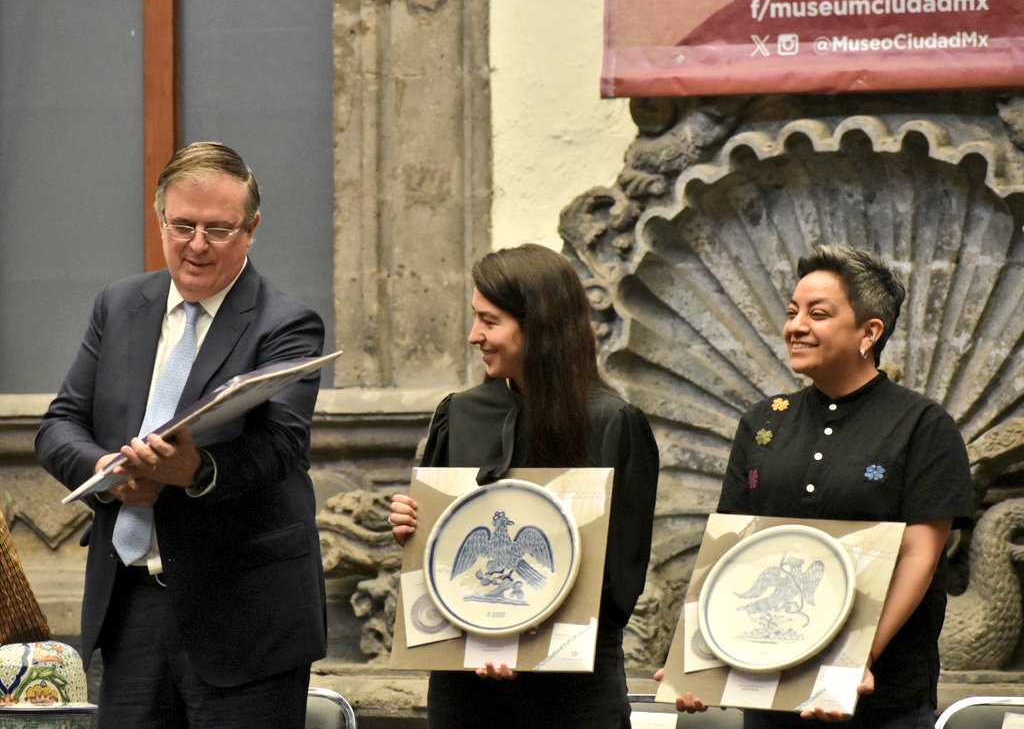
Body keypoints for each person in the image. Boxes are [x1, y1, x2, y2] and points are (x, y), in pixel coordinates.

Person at [36, 142, 327, 728]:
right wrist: (107, 474)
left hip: (246, 617)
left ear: (251, 229)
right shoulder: (119, 304)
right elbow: (59, 424)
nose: (197, 245)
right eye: (183, 226)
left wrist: (193, 471)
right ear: (160, 219)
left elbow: (281, 447)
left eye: (218, 229)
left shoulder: (286, 323)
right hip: (133, 606)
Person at [667, 244, 972, 728]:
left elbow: (921, 556)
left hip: (879, 700)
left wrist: (856, 661)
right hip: (768, 690)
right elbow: (729, 549)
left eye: (818, 313)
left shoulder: (922, 425)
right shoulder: (764, 422)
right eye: (793, 312)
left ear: (869, 332)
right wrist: (698, 660)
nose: (796, 326)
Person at [389, 243, 660, 728]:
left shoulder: (613, 424)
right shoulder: (459, 414)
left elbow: (619, 585)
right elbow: (438, 559)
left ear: (538, 325)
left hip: (571, 695)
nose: (474, 335)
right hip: (465, 689)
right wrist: (413, 526)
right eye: (476, 318)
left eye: (489, 321)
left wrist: (520, 640)